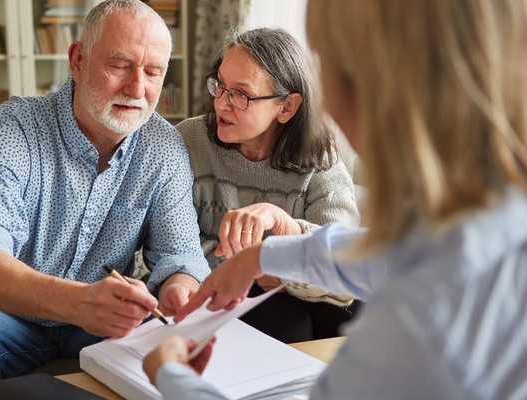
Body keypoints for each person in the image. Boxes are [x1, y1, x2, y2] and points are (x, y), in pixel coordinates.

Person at [143, 0, 527, 398]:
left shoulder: (418, 320)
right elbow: (385, 251)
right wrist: (260, 257)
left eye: (333, 68)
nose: (325, 104)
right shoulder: (483, 220)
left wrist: (170, 375)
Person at [0, 0, 211, 394]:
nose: (137, 89)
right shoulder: (13, 126)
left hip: (108, 321)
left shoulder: (163, 146)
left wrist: (180, 291)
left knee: (188, 364)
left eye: (153, 72)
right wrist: (79, 302)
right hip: (7, 312)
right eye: (119, 65)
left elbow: (180, 254)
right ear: (78, 60)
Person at [176, 27, 360, 343]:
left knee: (355, 315)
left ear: (286, 107)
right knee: (288, 324)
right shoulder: (187, 141)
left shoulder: (319, 154)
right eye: (220, 86)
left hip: (298, 290)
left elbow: (346, 262)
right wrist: (252, 264)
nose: (221, 104)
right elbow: (170, 245)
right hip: (219, 288)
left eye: (241, 95)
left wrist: (287, 235)